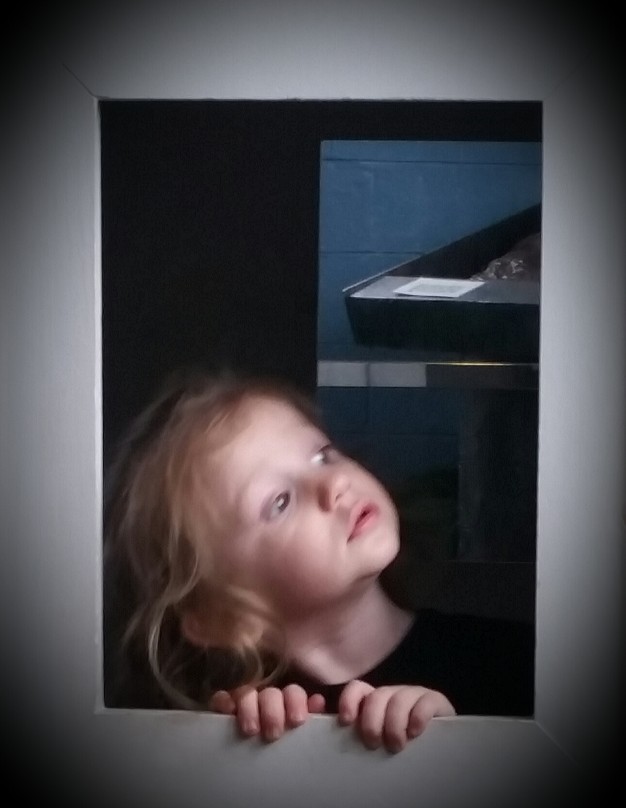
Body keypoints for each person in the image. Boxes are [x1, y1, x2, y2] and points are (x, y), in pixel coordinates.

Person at [103, 369, 534, 753]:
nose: (333, 482)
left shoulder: (514, 663)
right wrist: (248, 757)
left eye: (322, 455)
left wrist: (457, 747)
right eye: (280, 501)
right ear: (221, 618)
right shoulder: (243, 730)